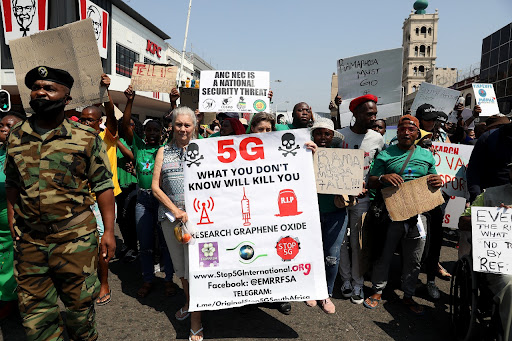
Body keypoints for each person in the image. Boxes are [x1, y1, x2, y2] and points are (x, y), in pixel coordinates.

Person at [6, 66, 116, 340]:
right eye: (37, 88)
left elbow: (103, 186)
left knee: (79, 314)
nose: (41, 93)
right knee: (36, 319)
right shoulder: (16, 136)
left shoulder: (85, 138)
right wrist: (11, 218)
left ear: (66, 98)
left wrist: (110, 232)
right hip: (31, 242)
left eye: (49, 88)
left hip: (74, 240)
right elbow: (12, 183)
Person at [364, 115, 443, 315]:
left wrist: (437, 181)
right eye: (402, 129)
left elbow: (434, 178)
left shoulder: (427, 155)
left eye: (411, 129)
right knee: (385, 253)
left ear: (417, 133)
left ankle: (408, 295)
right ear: (397, 132)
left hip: (419, 215)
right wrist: (383, 177)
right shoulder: (385, 154)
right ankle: (377, 290)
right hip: (391, 213)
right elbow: (371, 181)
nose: (406, 133)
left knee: (414, 257)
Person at [151, 107, 203, 341]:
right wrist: (176, 211)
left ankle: (196, 318)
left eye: (187, 125)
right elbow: (155, 187)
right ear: (172, 125)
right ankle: (191, 303)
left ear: (195, 126)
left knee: (197, 269)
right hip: (172, 221)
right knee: (181, 269)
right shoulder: (163, 151)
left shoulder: (205, 149)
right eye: (178, 124)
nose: (183, 129)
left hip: (201, 220)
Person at [122, 85, 177, 298]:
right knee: (144, 243)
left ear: (162, 133)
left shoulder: (167, 149)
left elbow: (177, 125)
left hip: (164, 201)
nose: (152, 133)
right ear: (144, 133)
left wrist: (173, 103)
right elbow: (126, 125)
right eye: (149, 130)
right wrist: (129, 101)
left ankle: (169, 279)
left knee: (166, 243)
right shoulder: (139, 148)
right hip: (143, 201)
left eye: (156, 130)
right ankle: (147, 279)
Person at [336, 94, 384, 304]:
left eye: (375, 113)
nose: (373, 117)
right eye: (369, 113)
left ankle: (357, 282)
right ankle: (344, 280)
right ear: (355, 114)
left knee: (358, 243)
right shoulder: (339, 137)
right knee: (340, 241)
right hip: (338, 198)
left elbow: (379, 167)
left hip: (363, 199)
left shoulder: (377, 139)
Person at [78, 73, 121, 306]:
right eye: (82, 120)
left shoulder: (108, 136)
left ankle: (104, 283)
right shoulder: (74, 139)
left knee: (104, 244)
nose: (86, 124)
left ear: (99, 123)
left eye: (90, 120)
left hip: (102, 201)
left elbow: (113, 117)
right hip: (80, 202)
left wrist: (105, 92)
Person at [458, 164, 512, 341]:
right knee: (509, 285)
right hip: (498, 261)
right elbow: (463, 222)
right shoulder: (490, 194)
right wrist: (494, 217)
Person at [305, 118, 347, 314]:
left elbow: (352, 181)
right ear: (313, 135)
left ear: (332, 137)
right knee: (310, 253)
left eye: (327, 133)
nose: (323, 137)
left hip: (336, 213)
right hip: (310, 212)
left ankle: (325, 294)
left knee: (331, 256)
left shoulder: (342, 157)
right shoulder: (302, 155)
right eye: (319, 133)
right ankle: (310, 290)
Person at [0, 112, 23, 320]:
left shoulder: (23, 156)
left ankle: (9, 301)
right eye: (1, 125)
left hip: (11, 217)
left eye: (10, 126)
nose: (4, 129)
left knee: (9, 261)